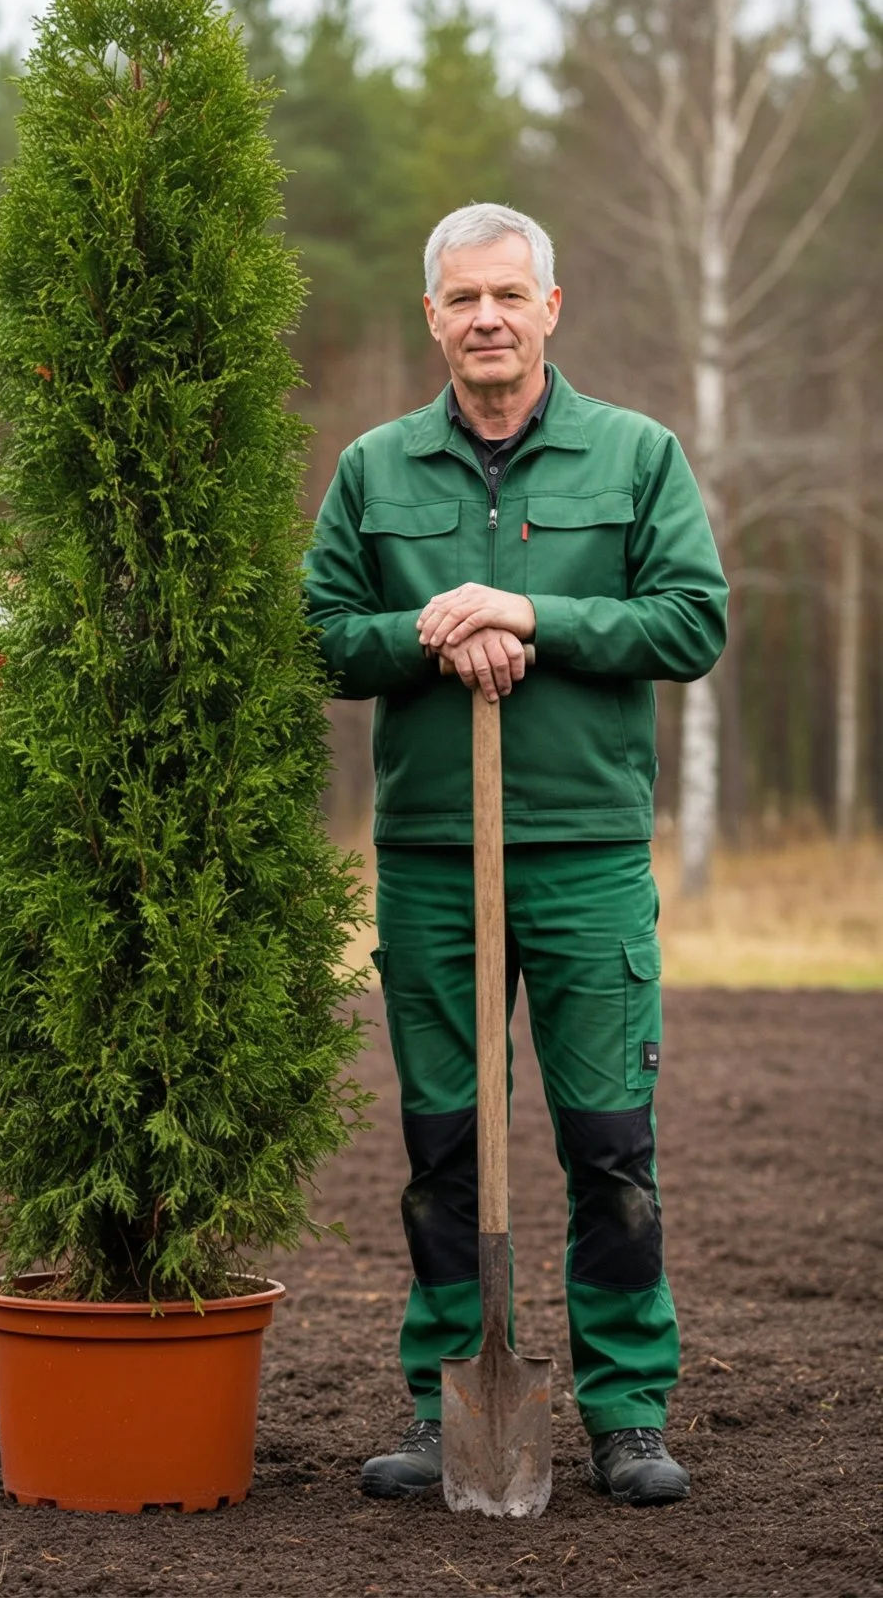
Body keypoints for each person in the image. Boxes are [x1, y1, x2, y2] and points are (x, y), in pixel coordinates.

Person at [305, 203, 727, 1507]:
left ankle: (627, 1410)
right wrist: (436, 633)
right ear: (431, 317)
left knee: (609, 1140)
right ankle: (450, 1399)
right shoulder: (376, 470)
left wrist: (530, 612)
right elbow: (325, 634)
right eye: (461, 299)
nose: (486, 318)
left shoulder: (637, 456)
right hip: (433, 854)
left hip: (588, 852)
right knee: (443, 1142)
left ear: (552, 306)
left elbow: (692, 619)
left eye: (509, 295)